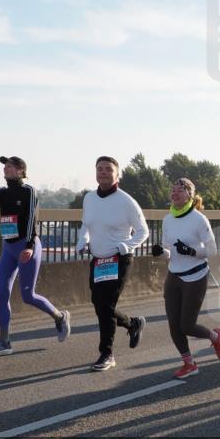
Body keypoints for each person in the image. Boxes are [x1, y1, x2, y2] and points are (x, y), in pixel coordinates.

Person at [0, 156, 70, 357]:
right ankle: (4, 342)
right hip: (9, 247)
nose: (5, 169)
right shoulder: (4, 193)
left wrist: (29, 246)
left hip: (26, 247)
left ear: (21, 170)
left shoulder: (28, 191)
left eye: (10, 166)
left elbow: (31, 219)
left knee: (28, 295)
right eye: (4, 167)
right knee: (2, 293)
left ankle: (59, 316)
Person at [76, 156, 150, 371]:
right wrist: (83, 241)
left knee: (105, 305)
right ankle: (132, 323)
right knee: (100, 304)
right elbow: (86, 225)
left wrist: (126, 246)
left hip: (119, 260)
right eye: (100, 169)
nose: (103, 172)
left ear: (118, 174)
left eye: (108, 169)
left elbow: (144, 231)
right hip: (99, 260)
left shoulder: (126, 201)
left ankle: (106, 353)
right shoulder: (89, 198)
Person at [151, 178, 220, 379]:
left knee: (187, 325)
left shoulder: (199, 219)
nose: (175, 193)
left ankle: (215, 336)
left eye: (180, 190)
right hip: (174, 276)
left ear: (189, 196)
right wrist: (161, 252)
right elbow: (169, 251)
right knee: (173, 325)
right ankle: (189, 363)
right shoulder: (168, 219)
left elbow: (211, 249)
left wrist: (192, 251)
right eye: (173, 189)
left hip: (196, 276)